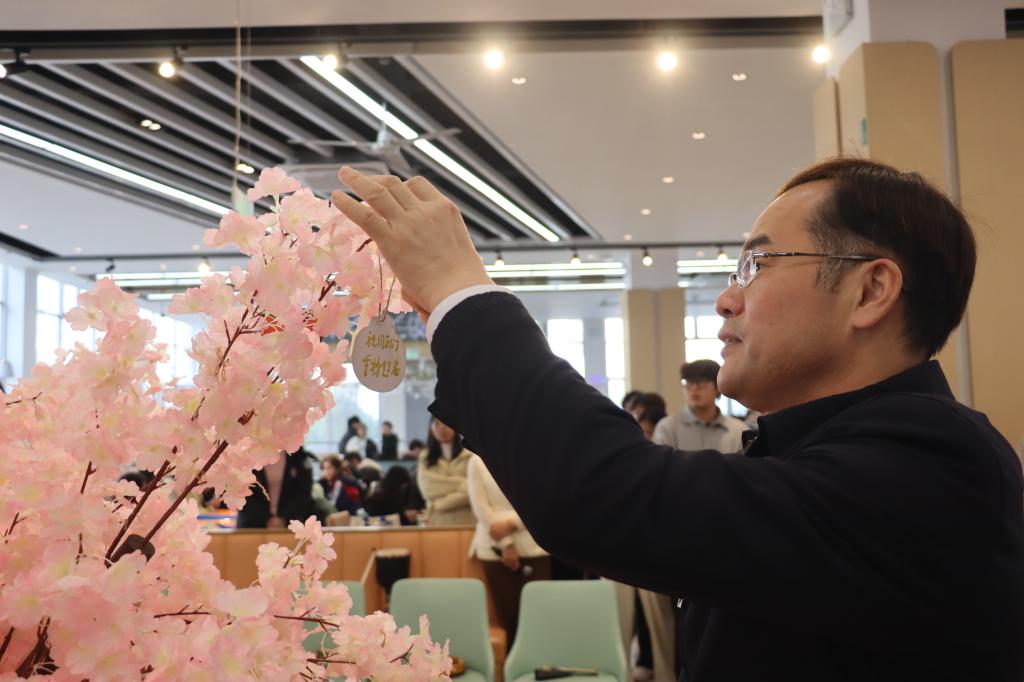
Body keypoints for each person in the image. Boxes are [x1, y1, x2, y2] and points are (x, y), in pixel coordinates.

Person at [332, 159, 1024, 682]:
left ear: (871, 290)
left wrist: (463, 296)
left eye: (757, 263)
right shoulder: (813, 451)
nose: (726, 299)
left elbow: (606, 494)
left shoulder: (937, 466)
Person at [467, 454, 550, 649]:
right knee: (509, 621)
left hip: (536, 546)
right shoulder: (476, 460)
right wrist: (506, 543)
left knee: (539, 618)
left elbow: (543, 499)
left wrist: (513, 523)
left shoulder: (537, 456)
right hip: (493, 548)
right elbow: (480, 507)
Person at [237, 446, 317, 529]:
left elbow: (304, 493)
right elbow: (240, 493)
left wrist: (283, 517)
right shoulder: (247, 454)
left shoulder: (299, 456)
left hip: (291, 523)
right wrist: (267, 518)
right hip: (251, 523)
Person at [416, 417, 474, 526]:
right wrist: (464, 484)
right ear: (431, 428)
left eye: (445, 423)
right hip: (437, 522)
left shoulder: (470, 455)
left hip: (467, 522)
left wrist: (440, 504)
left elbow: (475, 490)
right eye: (436, 424)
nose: (442, 427)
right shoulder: (425, 457)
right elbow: (427, 488)